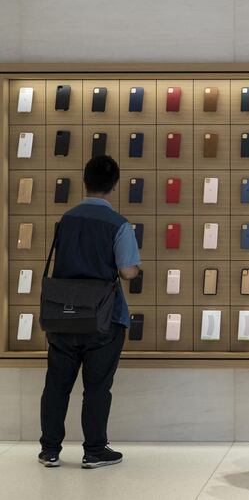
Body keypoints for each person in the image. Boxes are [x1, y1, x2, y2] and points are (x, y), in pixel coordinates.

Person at [39, 156, 141, 469]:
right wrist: (134, 268)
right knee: (96, 386)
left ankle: (50, 449)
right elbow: (127, 272)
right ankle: (94, 449)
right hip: (104, 317)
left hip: (62, 314)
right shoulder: (119, 225)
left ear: (84, 181)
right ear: (115, 184)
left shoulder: (66, 219)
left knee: (57, 384)